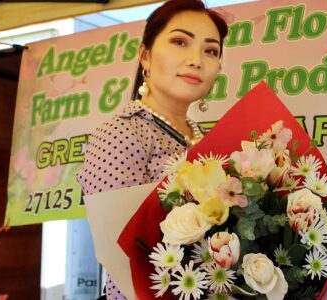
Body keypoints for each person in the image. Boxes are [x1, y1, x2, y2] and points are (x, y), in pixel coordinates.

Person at [76, 0, 228, 298]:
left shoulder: (212, 143)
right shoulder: (121, 133)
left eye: (210, 50)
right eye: (180, 42)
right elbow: (124, 254)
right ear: (145, 56)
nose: (196, 59)